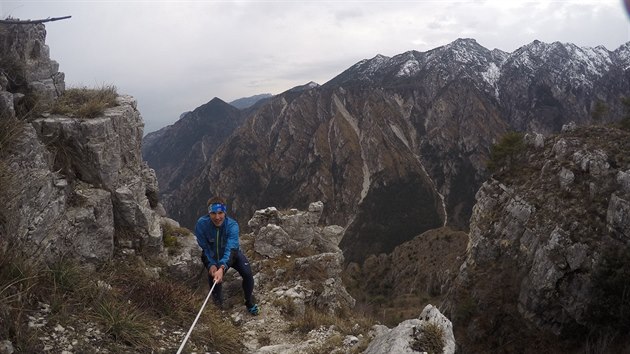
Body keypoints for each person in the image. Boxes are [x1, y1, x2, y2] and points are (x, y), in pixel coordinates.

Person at [194, 196, 259, 315]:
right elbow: (205, 248)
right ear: (209, 213)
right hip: (213, 258)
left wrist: (222, 267)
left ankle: (248, 302)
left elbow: (231, 248)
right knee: (215, 282)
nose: (217, 217)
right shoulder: (202, 224)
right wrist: (211, 265)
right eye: (213, 213)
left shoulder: (232, 225)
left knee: (247, 274)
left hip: (231, 256)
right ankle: (219, 311)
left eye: (220, 213)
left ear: (225, 212)